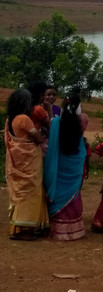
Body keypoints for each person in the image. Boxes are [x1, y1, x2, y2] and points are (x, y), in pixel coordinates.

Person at [43, 88, 88, 241]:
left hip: (60, 163)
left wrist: (50, 113)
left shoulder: (56, 122)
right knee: (73, 194)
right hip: (74, 164)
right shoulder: (81, 121)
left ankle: (57, 227)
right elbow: (81, 147)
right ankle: (74, 230)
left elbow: (52, 143)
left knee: (58, 190)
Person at [5, 89, 50, 240]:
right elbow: (37, 139)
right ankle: (25, 229)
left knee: (22, 192)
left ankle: (21, 227)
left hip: (19, 162)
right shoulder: (24, 118)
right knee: (31, 193)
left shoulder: (10, 119)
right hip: (29, 162)